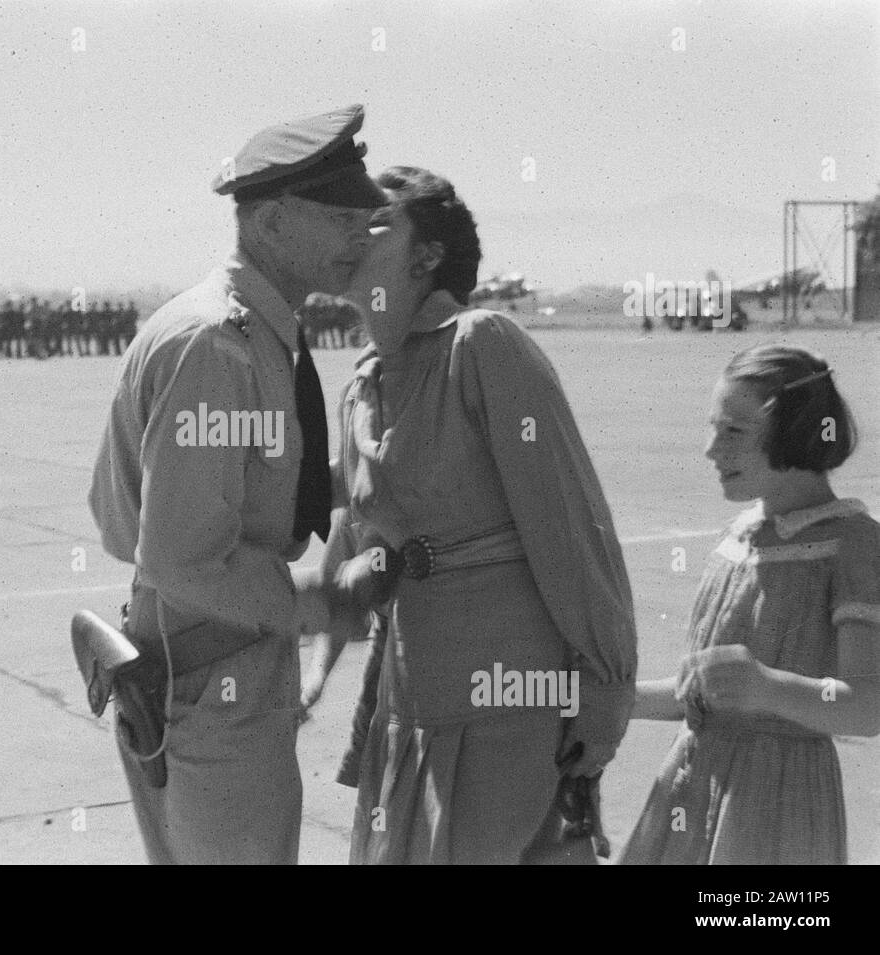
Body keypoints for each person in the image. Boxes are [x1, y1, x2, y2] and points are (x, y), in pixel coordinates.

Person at [305, 166, 638, 865]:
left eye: (375, 220)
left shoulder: (484, 345)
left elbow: (574, 523)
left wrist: (607, 681)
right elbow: (347, 539)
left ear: (426, 256)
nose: (349, 230)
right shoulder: (362, 380)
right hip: (413, 695)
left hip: (507, 693)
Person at [88, 104, 386, 864]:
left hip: (198, 669)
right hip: (215, 687)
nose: (363, 231)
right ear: (276, 221)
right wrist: (316, 602)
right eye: (343, 214)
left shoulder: (242, 331)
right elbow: (181, 556)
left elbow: (202, 502)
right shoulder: (220, 348)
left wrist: (355, 478)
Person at [620, 345, 879, 864]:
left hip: (776, 813)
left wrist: (766, 686)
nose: (711, 451)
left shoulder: (851, 546)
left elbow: (868, 705)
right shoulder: (739, 537)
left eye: (733, 432)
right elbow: (700, 697)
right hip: (690, 792)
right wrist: (605, 699)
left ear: (796, 432)